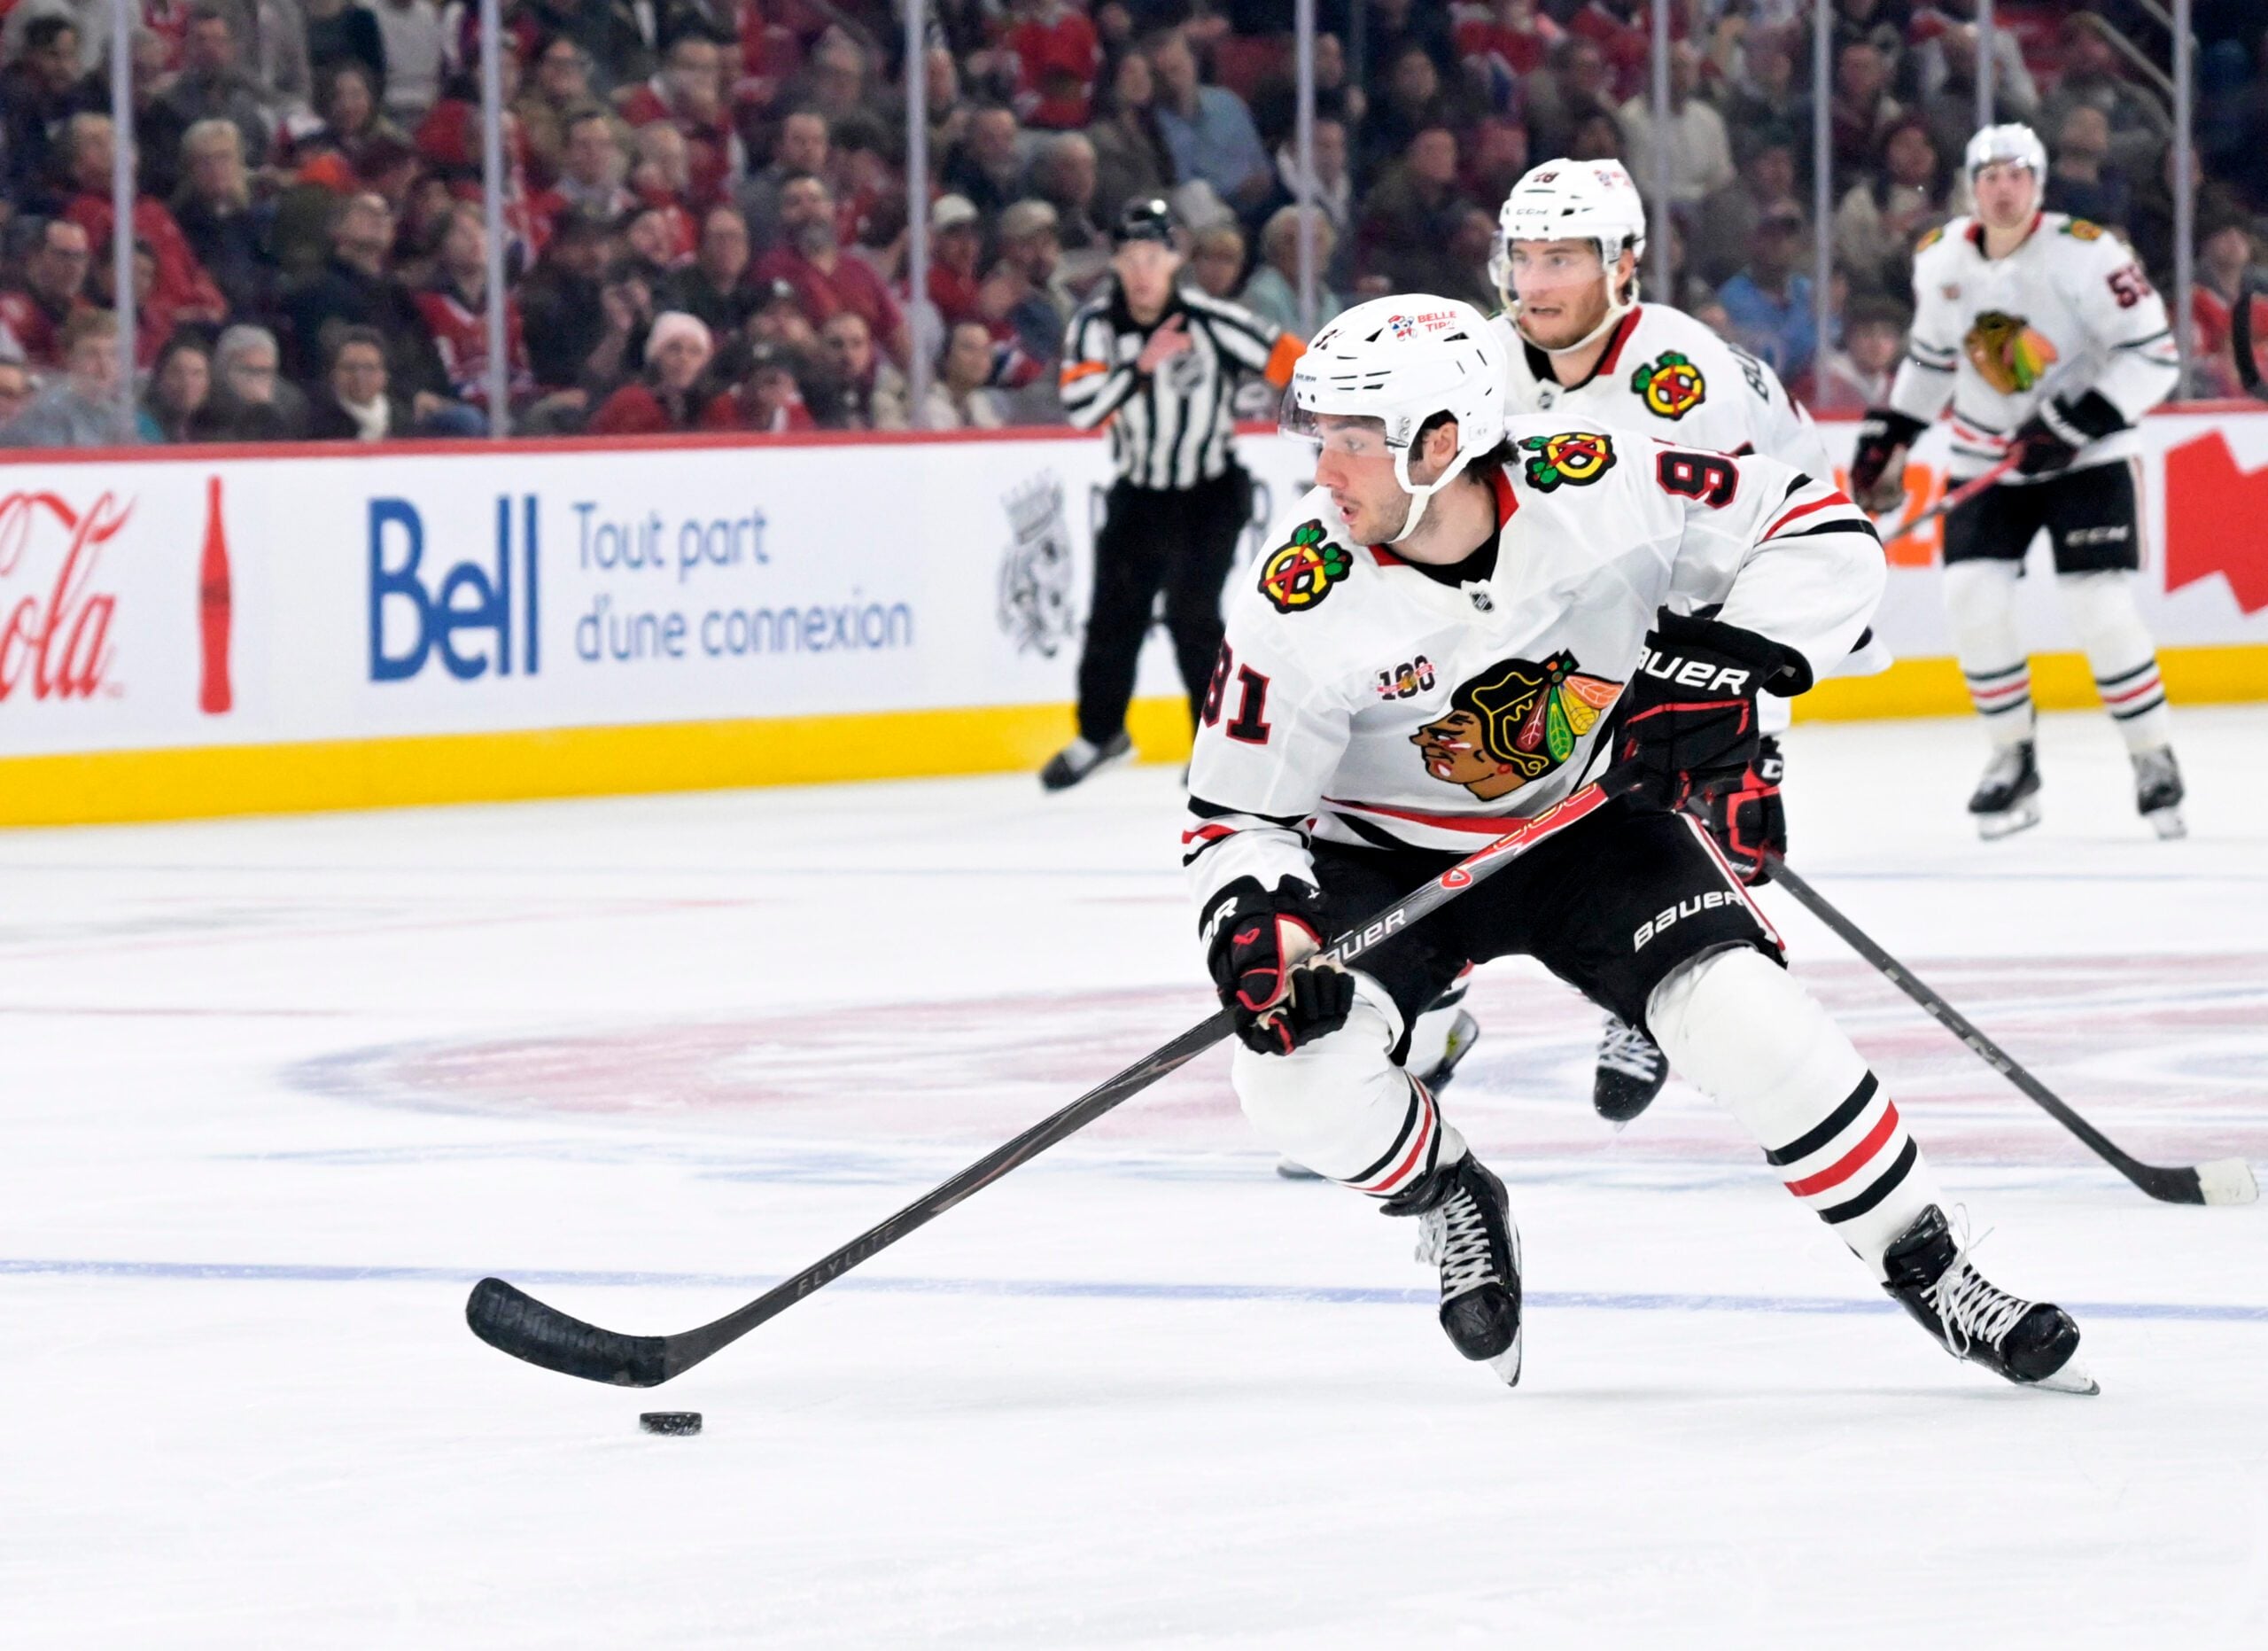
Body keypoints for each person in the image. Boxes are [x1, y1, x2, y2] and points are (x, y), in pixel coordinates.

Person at [1186, 290, 2092, 1398]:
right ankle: (1450, 1195)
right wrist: (1255, 921)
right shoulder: (1297, 590)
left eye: (1353, 441)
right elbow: (1235, 811)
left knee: (1752, 1025)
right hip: (1384, 852)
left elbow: (1818, 532)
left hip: (1588, 826)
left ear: (1442, 440)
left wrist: (1722, 668)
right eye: (1318, 436)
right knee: (1288, 1083)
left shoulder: (1598, 479)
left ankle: (1930, 1264)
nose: (1324, 469)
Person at [1480, 154, 1865, 1127]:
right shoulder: (1481, 367)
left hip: (1745, 609)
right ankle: (1428, 1008)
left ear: (1625, 265)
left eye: (1561, 258)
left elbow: (1733, 566)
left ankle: (1650, 1007)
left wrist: (1731, 715)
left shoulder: (1676, 380)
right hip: (1588, 618)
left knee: (1700, 831)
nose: (1534, 283)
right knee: (1448, 813)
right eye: (1522, 256)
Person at [1850, 124, 2186, 839]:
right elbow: (1933, 359)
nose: (2003, 187)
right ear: (1972, 186)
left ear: (2037, 182)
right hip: (1986, 457)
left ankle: (2152, 756)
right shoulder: (1941, 258)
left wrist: (2074, 422)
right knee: (1971, 600)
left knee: (2098, 606)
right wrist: (1892, 435)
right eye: (1990, 175)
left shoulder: (2089, 253)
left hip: (2086, 460)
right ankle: (2011, 758)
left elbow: (2154, 357)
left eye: (2017, 174)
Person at [1043, 198, 1305, 790]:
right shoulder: (1094, 327)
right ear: (1115, 262)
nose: (1142, 270)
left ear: (1174, 258)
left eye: (1153, 256)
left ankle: (1211, 744)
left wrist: (1334, 421)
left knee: (1194, 613)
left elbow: (1293, 360)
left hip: (1208, 493)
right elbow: (1083, 409)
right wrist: (1141, 366)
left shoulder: (1211, 320)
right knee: (1114, 614)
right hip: (1139, 493)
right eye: (1131, 257)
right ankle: (1099, 733)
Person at [0, 308, 149, 447]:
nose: (104, 364)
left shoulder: (116, 410)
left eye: (113, 354)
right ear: (69, 358)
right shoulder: (49, 412)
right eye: (91, 353)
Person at [307, 325, 416, 440]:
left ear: (384, 375)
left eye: (369, 368)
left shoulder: (404, 422)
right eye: (350, 367)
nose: (359, 376)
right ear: (333, 373)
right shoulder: (316, 423)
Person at [144, 331, 214, 440]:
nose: (188, 383)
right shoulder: (143, 425)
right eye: (177, 372)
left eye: (197, 373)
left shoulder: (218, 425)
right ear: (159, 377)